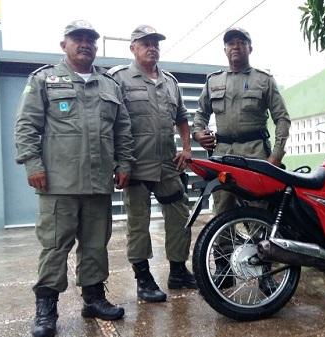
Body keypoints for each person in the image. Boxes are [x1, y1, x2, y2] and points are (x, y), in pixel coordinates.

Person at [14, 20, 134, 337]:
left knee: (96, 245)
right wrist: (32, 164)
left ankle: (94, 298)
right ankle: (46, 309)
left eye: (90, 40)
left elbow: (122, 130)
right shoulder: (44, 80)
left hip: (98, 183)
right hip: (58, 183)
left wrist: (124, 163)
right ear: (64, 45)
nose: (85, 44)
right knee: (54, 247)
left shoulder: (109, 85)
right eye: (77, 39)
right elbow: (27, 125)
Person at [192, 28, 291, 292]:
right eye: (230, 44)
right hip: (223, 154)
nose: (235, 47)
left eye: (241, 43)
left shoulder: (264, 80)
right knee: (222, 210)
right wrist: (198, 133)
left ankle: (265, 269)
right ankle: (224, 268)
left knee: (260, 212)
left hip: (256, 154)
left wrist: (275, 157)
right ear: (224, 50)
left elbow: (282, 118)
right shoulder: (213, 81)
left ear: (250, 48)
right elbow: (199, 115)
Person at [107, 24, 196, 304]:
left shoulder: (170, 82)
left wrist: (186, 147)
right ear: (133, 47)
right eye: (145, 43)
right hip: (135, 167)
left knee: (179, 216)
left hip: (167, 166)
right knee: (138, 224)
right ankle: (143, 278)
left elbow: (182, 116)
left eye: (155, 43)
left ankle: (178, 271)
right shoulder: (119, 79)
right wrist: (117, 163)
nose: (152, 47)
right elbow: (109, 122)